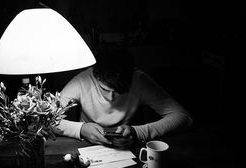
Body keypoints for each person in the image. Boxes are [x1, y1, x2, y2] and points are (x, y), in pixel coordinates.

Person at [56, 46, 193, 149]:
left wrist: (137, 132)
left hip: (129, 146)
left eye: (119, 92)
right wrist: (81, 129)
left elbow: (183, 117)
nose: (110, 98)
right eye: (104, 89)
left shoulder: (139, 80)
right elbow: (46, 120)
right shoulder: (82, 81)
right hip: (86, 145)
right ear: (95, 76)